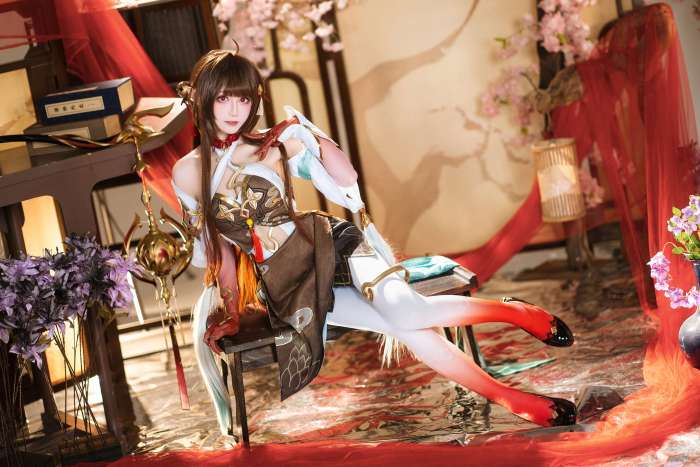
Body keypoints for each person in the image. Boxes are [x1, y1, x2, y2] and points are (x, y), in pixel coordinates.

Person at [171, 49, 578, 436]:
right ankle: (512, 398)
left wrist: (306, 133)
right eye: (223, 98)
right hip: (289, 281)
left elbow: (346, 178)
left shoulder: (272, 143)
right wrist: (231, 311)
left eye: (243, 99)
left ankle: (514, 314)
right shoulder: (187, 174)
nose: (234, 110)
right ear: (204, 98)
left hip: (329, 243)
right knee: (406, 328)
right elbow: (221, 253)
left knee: (406, 311)